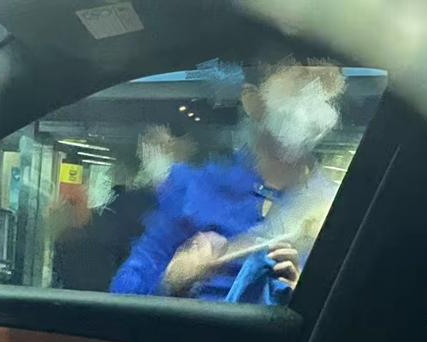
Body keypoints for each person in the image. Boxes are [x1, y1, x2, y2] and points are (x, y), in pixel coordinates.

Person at [110, 61, 345, 303]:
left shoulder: (340, 206)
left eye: (327, 86)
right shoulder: (194, 187)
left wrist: (305, 299)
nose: (317, 98)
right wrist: (172, 279)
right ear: (253, 101)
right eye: (300, 82)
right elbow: (124, 292)